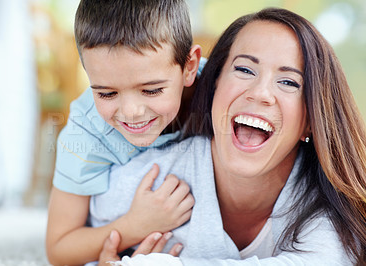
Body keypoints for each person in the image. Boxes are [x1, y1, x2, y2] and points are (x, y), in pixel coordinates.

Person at [89, 7, 366, 266]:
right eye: (244, 69)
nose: (259, 93)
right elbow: (81, 242)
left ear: (310, 122)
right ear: (215, 83)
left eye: (289, 82)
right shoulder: (153, 180)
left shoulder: (327, 202)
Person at [45, 0, 202, 265]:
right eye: (106, 93)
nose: (130, 112)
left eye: (151, 90)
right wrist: (133, 226)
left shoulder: (220, 91)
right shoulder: (86, 129)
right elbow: (59, 247)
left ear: (189, 67)